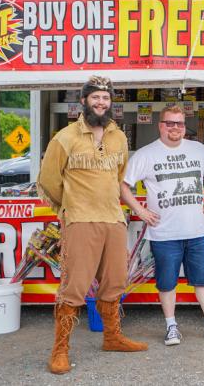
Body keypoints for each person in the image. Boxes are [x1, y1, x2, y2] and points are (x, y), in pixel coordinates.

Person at [38, 76, 148, 375]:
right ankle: (60, 349)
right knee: (74, 287)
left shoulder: (119, 137)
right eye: (95, 97)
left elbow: (120, 175)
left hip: (113, 218)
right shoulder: (65, 137)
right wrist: (68, 206)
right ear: (84, 101)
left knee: (115, 280)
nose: (101, 103)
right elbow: (48, 179)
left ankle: (112, 337)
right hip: (81, 219)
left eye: (106, 98)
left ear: (111, 103)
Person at [120, 105, 204, 345]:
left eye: (179, 124)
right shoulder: (146, 154)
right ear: (161, 125)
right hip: (164, 232)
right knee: (167, 282)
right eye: (170, 123)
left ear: (184, 127)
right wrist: (139, 210)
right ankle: (171, 326)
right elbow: (123, 184)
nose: (175, 128)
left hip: (197, 230)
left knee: (203, 279)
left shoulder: (198, 150)